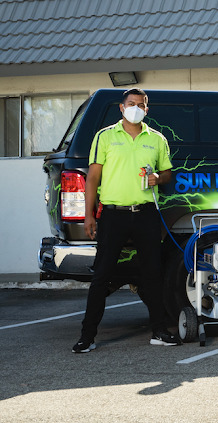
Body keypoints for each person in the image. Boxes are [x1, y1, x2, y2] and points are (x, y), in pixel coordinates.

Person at [73, 88, 179, 353]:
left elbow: (167, 174)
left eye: (140, 104)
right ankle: (87, 336)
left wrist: (159, 178)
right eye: (130, 104)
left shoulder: (156, 139)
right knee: (101, 276)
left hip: (146, 214)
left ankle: (159, 331)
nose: (135, 108)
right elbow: (93, 178)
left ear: (146, 109)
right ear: (121, 108)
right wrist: (89, 215)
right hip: (113, 214)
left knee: (152, 273)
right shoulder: (105, 136)